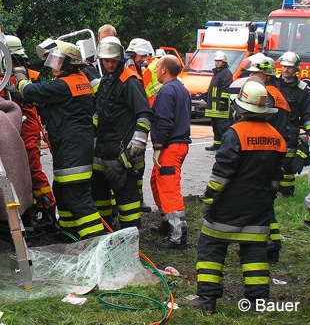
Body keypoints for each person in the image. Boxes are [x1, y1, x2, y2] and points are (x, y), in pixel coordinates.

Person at [181, 77, 286, 313]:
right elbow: (275, 179)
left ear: (239, 107)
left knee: (210, 246)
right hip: (258, 206)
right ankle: (257, 302)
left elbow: (221, 174)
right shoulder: (276, 137)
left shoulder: (235, 133)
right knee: (255, 253)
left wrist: (209, 200)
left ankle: (207, 299)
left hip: (228, 205)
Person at [14, 41, 106, 240]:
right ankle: (68, 234)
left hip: (73, 147)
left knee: (77, 196)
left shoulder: (66, 84)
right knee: (63, 193)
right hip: (72, 146)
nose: (54, 66)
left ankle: (96, 241)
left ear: (68, 64)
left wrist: (20, 76)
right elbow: (48, 100)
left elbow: (31, 92)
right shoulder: (77, 80)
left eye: (58, 61)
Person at [0, 35, 56, 226]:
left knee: (32, 169)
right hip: (9, 129)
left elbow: (40, 103)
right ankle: (25, 210)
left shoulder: (31, 77)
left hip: (27, 128)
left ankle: (47, 210)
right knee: (11, 171)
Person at [91, 36, 153, 230]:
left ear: (120, 58)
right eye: (105, 60)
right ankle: (105, 233)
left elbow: (144, 114)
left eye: (112, 60)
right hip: (102, 151)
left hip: (121, 153)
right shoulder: (105, 81)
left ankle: (130, 234)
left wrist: (136, 145)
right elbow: (99, 114)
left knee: (127, 199)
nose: (109, 64)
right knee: (100, 197)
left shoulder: (130, 81)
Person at [245, 53, 290, 262]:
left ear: (266, 74)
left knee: (260, 203)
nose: (252, 77)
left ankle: (268, 245)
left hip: (263, 152)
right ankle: (272, 243)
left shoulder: (265, 95)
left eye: (256, 73)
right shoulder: (278, 94)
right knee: (266, 202)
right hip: (273, 152)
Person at [149, 55, 192, 249]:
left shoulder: (167, 91)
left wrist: (158, 146)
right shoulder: (181, 89)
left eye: (157, 67)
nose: (156, 71)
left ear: (164, 70)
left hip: (170, 146)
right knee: (156, 182)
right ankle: (168, 223)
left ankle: (178, 235)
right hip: (176, 145)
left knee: (169, 189)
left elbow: (165, 120)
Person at [277, 51, 310, 196]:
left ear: (296, 69)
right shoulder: (273, 85)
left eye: (289, 67)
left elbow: (307, 113)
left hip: (291, 133)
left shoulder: (303, 90)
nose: (286, 69)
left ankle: (286, 194)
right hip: (274, 130)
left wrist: (309, 133)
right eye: (284, 66)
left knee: (288, 166)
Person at [204, 51, 233, 151]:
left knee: (222, 128)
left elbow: (226, 89)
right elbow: (214, 87)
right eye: (216, 61)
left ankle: (225, 146)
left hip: (220, 107)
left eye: (219, 61)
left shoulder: (226, 73)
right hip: (213, 107)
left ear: (224, 62)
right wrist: (206, 94)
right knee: (215, 127)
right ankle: (217, 144)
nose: (217, 63)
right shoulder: (217, 73)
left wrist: (222, 102)